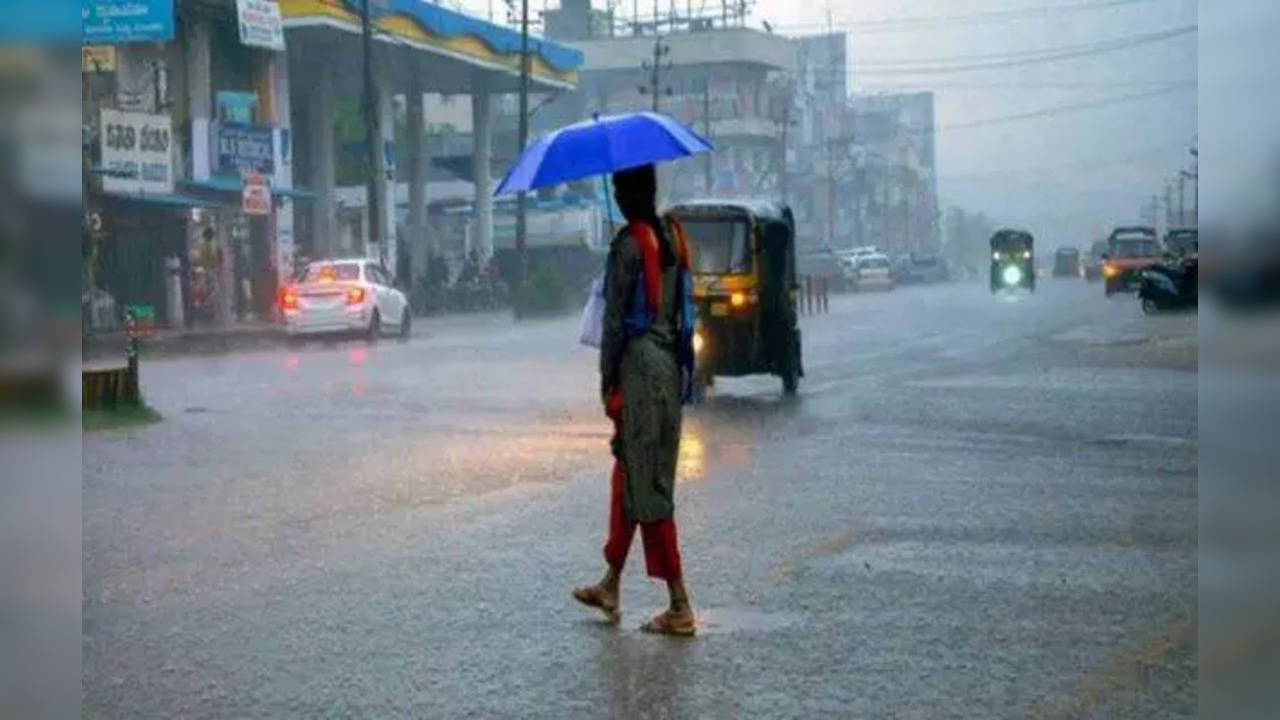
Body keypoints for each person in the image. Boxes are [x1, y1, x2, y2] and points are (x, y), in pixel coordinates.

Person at [572, 164, 698, 636]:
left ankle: (680, 604)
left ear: (625, 196)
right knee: (630, 476)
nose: (618, 199)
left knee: (649, 489)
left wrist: (607, 382)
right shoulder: (674, 237)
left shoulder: (628, 246)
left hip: (640, 374)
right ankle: (611, 582)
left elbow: (613, 324)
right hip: (670, 369)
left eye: (618, 190)